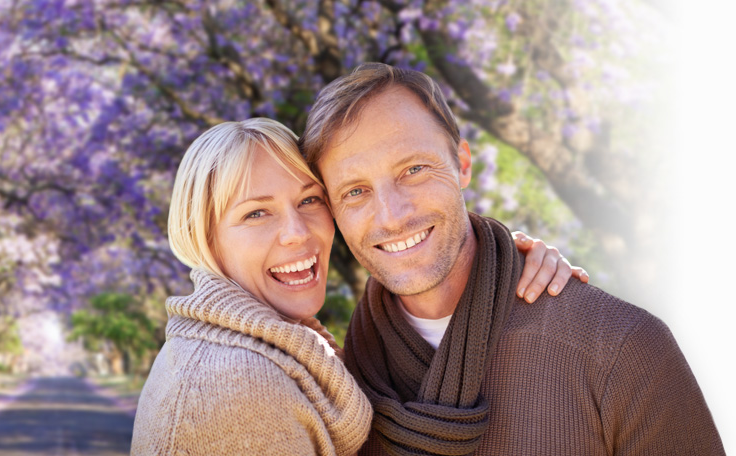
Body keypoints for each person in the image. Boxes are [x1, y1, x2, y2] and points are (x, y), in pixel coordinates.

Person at [301, 62, 724, 455]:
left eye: (413, 169)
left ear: (462, 164)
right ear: (333, 212)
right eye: (355, 191)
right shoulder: (339, 385)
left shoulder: (621, 348)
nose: (392, 216)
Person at [130, 118, 584, 455]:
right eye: (256, 213)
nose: (297, 232)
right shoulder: (236, 385)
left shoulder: (277, 346)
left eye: (310, 200)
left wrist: (500, 260)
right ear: (204, 237)